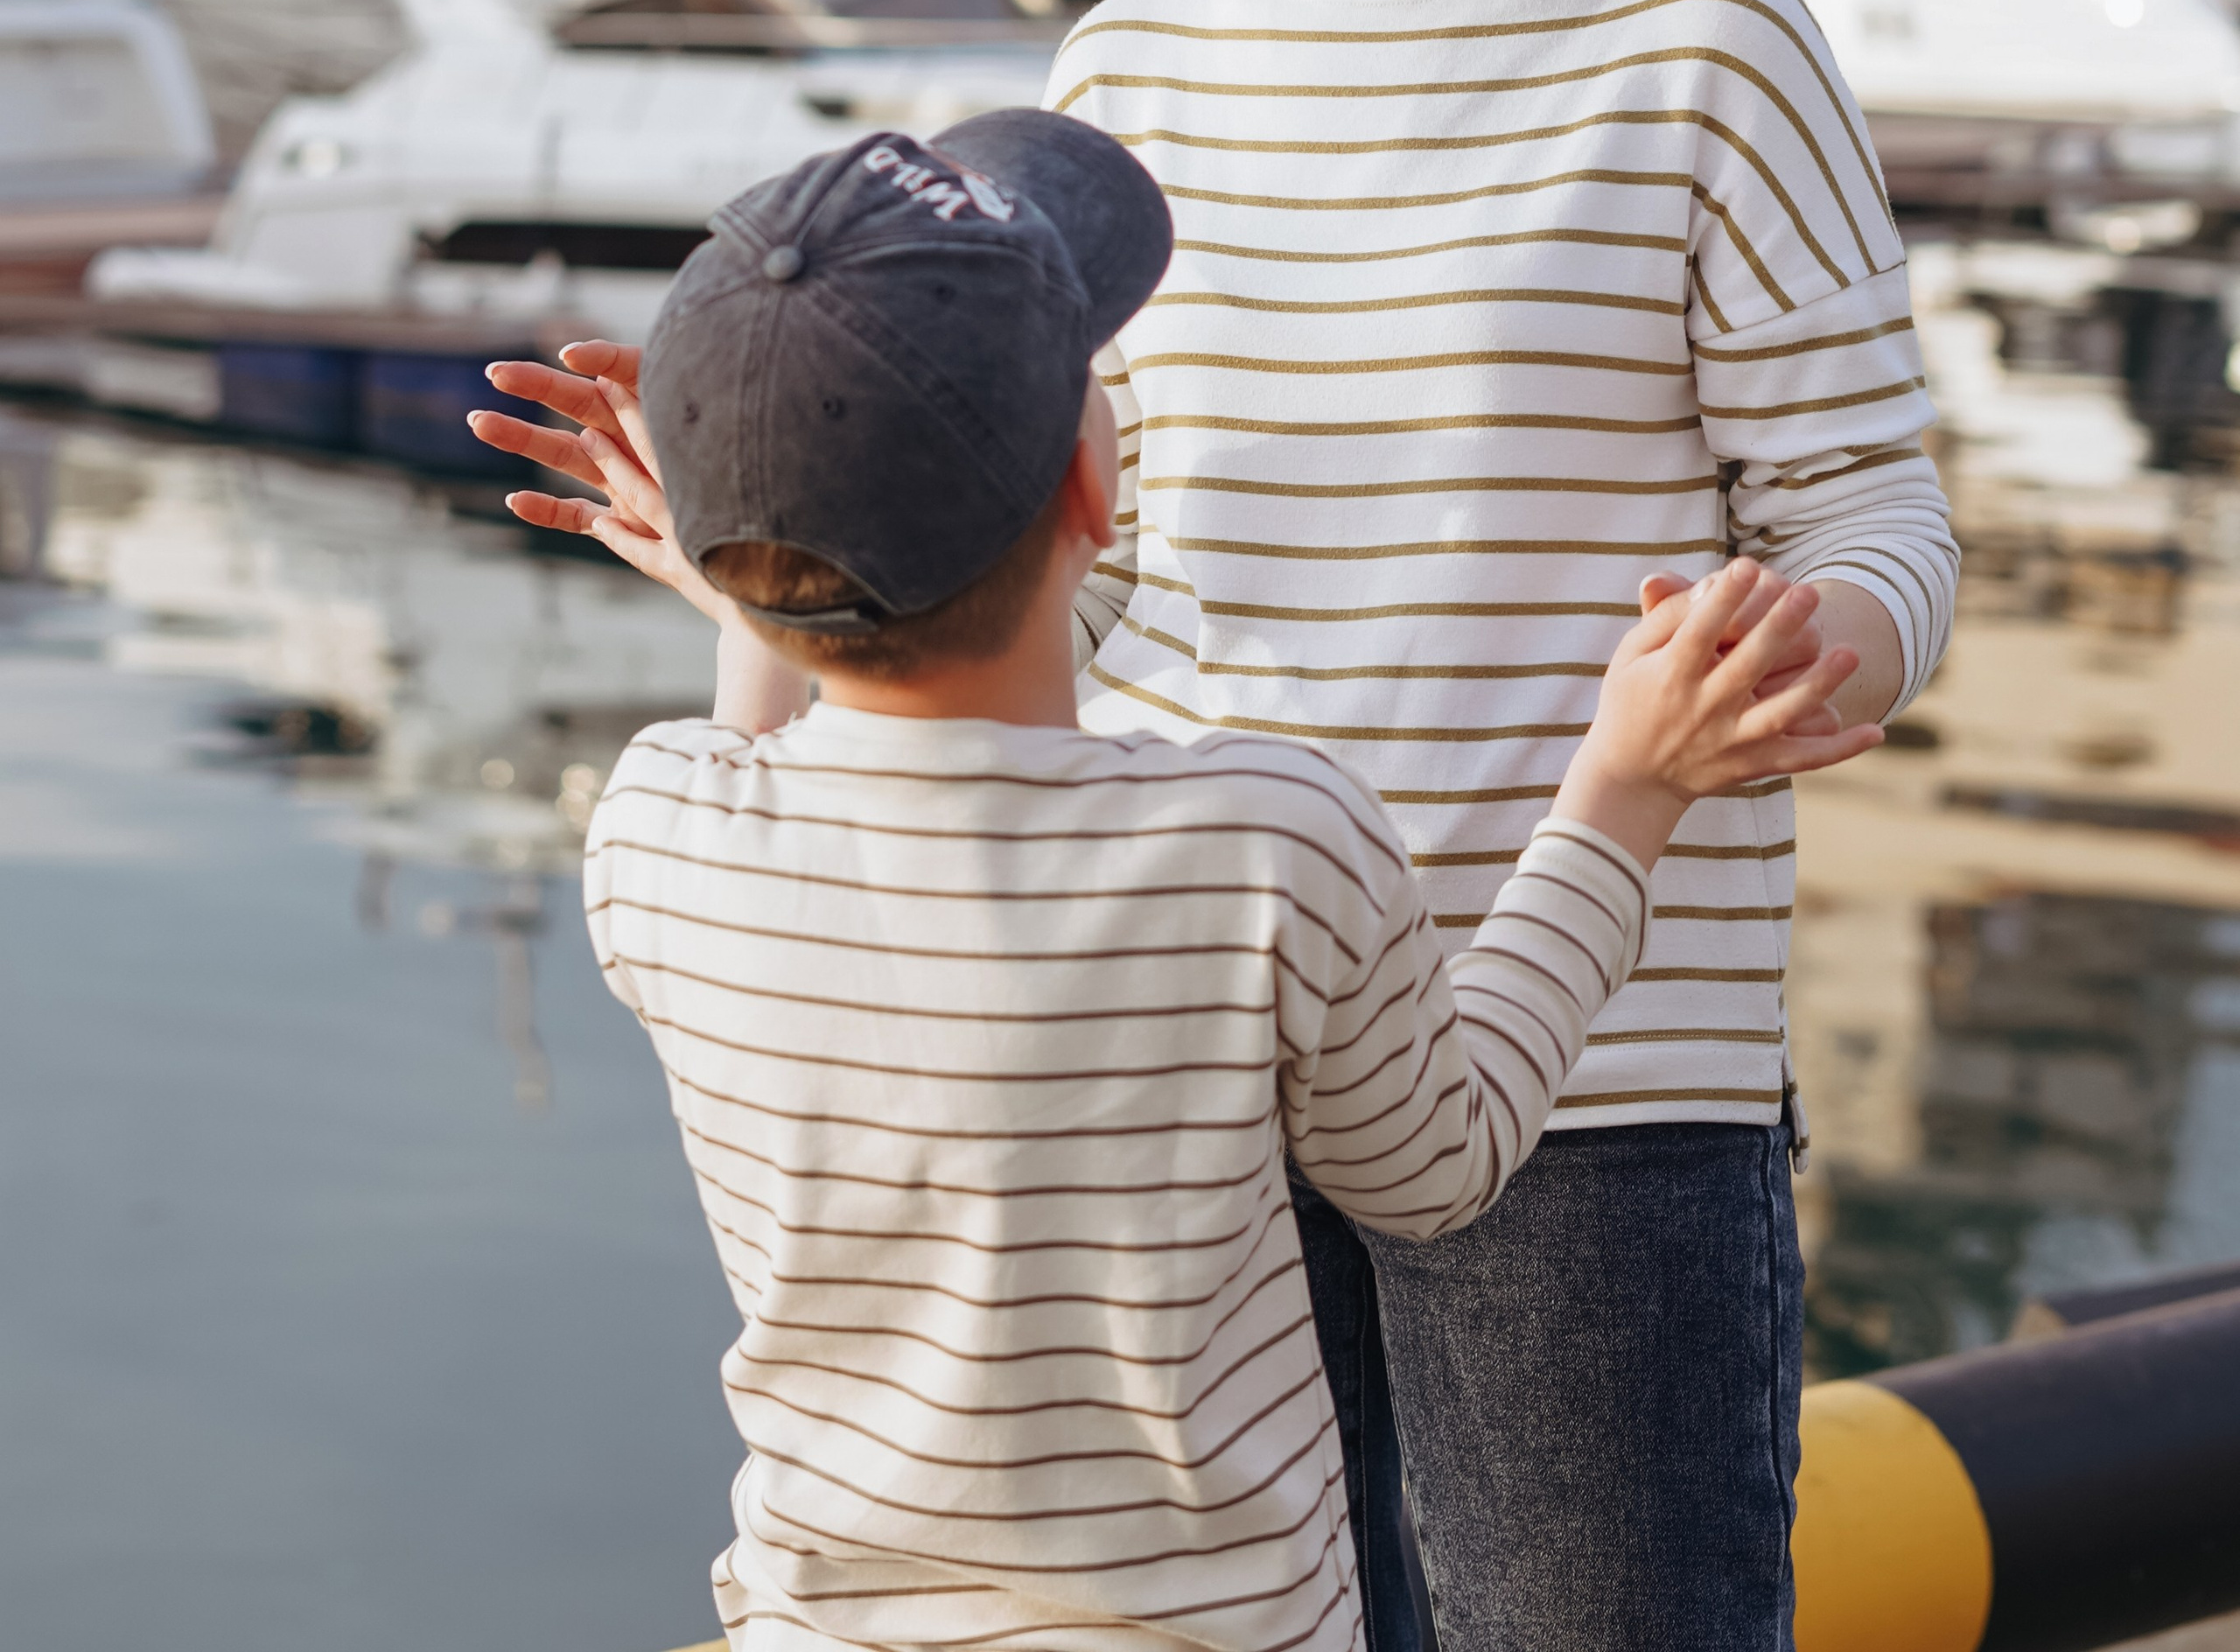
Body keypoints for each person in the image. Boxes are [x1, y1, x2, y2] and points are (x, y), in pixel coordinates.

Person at [471, 108, 1879, 1652]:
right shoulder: (1262, 843)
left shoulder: (658, 833)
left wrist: (759, 569)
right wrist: (1625, 787)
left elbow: (758, 751)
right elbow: (1438, 1161)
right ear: (1092, 489)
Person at [1042, 0, 1963, 1652]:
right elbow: (1090, 589)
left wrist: (1819, 641)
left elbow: (1874, 510)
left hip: (1595, 1115)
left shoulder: (1705, 41)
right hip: (1193, 1093)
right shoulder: (1126, 63)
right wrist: (791, 572)